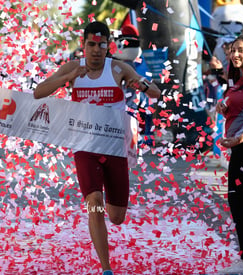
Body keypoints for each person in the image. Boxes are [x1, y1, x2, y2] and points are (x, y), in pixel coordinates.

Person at [34, 21, 160, 275]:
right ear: (83, 45)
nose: (96, 50)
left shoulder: (118, 69)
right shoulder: (73, 68)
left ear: (108, 46)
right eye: (91, 44)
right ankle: (106, 269)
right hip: (85, 147)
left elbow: (155, 92)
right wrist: (67, 79)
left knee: (116, 216)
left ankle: (106, 240)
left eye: (101, 45)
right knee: (94, 202)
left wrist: (141, 85)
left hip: (114, 148)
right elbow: (39, 92)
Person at [216, 35, 243, 274]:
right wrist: (223, 110)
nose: (235, 55)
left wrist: (239, 139)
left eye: (241, 50)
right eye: (233, 50)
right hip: (238, 148)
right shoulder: (239, 80)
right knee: (238, 201)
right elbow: (238, 117)